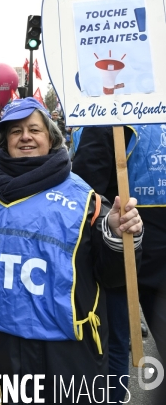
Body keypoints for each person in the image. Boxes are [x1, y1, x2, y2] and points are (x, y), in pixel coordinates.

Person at [0, 98, 143, 404]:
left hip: (69, 358)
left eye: (34, 129)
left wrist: (118, 236)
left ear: (50, 138)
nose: (25, 137)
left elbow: (114, 279)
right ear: (3, 142)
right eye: (15, 131)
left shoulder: (88, 202)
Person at [73, 124, 166, 403]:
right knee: (113, 343)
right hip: (119, 253)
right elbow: (86, 193)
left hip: (137, 260)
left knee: (113, 342)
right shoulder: (111, 118)